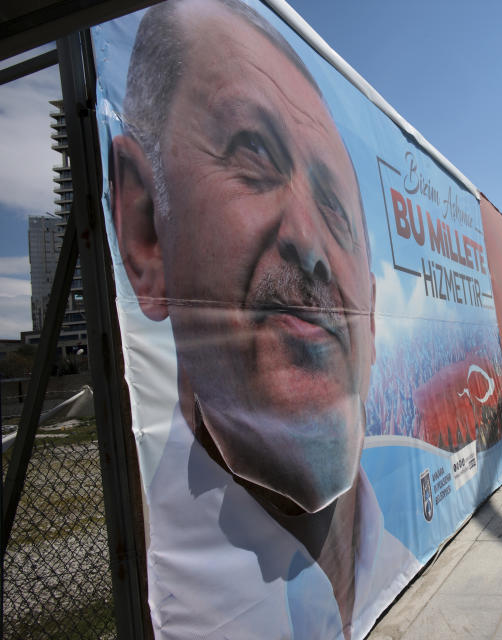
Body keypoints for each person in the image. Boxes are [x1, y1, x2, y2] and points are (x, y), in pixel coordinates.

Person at [109, 0, 416, 637]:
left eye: (334, 209)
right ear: (144, 232)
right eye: (253, 152)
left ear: (374, 318)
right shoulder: (165, 578)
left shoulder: (402, 558)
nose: (309, 240)